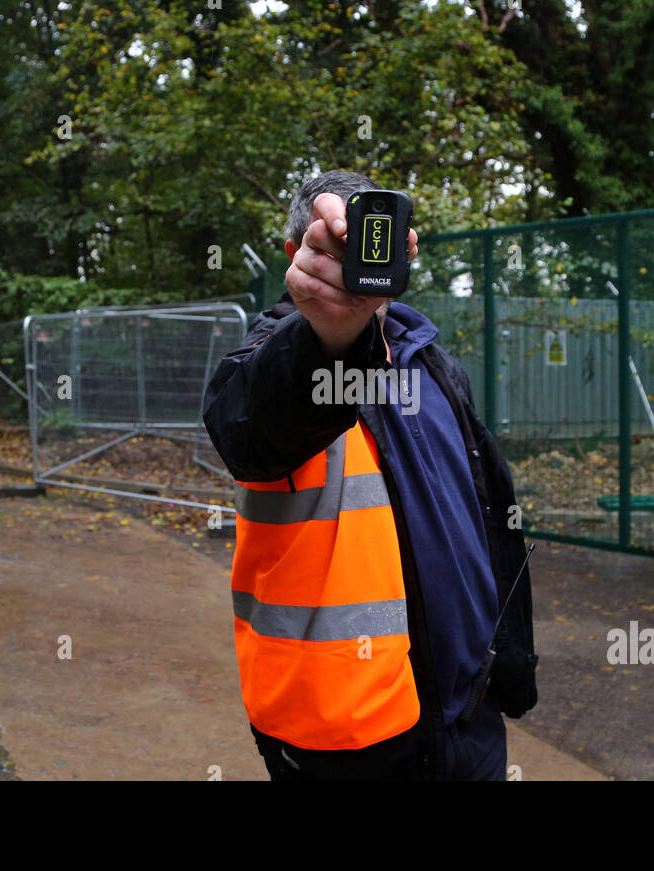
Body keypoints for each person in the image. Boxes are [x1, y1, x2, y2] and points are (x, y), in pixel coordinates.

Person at [203, 170, 538, 781]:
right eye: (335, 242)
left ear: (403, 248)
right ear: (295, 254)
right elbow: (246, 433)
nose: (356, 255)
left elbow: (485, 520)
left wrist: (507, 666)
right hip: (348, 737)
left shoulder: (433, 363)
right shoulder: (277, 355)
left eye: (373, 240)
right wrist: (330, 334)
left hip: (470, 714)